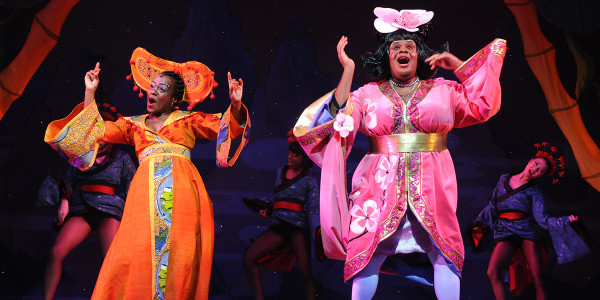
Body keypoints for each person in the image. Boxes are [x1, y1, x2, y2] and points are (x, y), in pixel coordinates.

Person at [293, 7, 507, 300]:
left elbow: (482, 103)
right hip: (377, 187)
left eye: (410, 46)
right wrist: (349, 71)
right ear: (388, 55)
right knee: (368, 254)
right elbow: (335, 118)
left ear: (419, 55)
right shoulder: (367, 94)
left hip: (433, 185)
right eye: (396, 47)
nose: (403, 51)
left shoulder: (443, 90)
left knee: (444, 252)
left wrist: (456, 65)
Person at [44, 48, 250, 299]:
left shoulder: (188, 120)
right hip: (144, 198)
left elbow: (226, 126)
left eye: (161, 88)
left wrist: (236, 104)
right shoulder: (132, 125)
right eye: (151, 86)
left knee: (180, 253)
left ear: (174, 99)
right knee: (136, 252)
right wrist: (90, 92)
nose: (152, 91)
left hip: (183, 193)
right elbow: (95, 130)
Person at [472, 144, 591, 300]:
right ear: (531, 160)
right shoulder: (504, 179)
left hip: (527, 234)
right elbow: (493, 207)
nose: (535, 169)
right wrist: (479, 222)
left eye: (540, 170)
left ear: (541, 176)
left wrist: (566, 220)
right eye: (536, 164)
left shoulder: (535, 191)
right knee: (492, 271)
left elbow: (542, 221)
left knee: (538, 279)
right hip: (506, 232)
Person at [43, 137, 136, 300]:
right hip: (84, 207)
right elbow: (69, 182)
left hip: (111, 210)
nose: (99, 140)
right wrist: (64, 201)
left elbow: (132, 187)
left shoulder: (122, 158)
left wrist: (132, 214)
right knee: (55, 252)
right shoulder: (82, 156)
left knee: (111, 260)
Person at [242, 140, 319, 300]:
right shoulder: (280, 171)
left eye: (295, 154)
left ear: (305, 158)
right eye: (289, 153)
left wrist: (317, 232)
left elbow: (314, 208)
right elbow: (277, 198)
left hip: (299, 229)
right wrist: (268, 209)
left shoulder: (310, 180)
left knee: (305, 272)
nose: (290, 157)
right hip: (279, 227)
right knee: (248, 258)